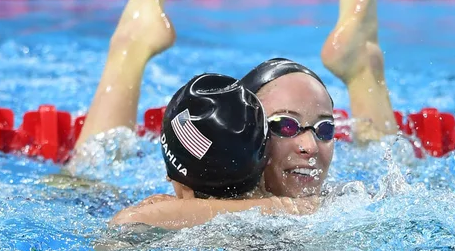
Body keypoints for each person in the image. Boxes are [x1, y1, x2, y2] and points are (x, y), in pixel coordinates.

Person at [73, 0, 398, 226]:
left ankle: (364, 70)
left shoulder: (344, 203)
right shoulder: (198, 183)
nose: (310, 146)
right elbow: (130, 221)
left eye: (325, 129)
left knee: (385, 157)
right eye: (285, 125)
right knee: (85, 181)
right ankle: (129, 51)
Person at [111, 72, 318, 229]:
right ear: (265, 158)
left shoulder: (162, 220)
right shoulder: (310, 209)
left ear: (173, 175)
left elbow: (125, 222)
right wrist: (274, 206)